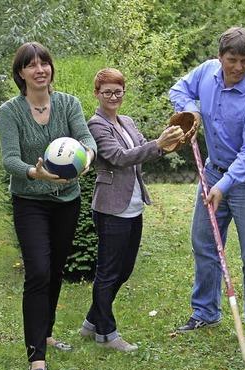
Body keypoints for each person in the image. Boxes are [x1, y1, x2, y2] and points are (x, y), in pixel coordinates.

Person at [168, 27, 245, 352]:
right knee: (204, 244)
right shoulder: (206, 72)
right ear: (220, 58)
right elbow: (179, 89)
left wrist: (223, 186)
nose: (239, 67)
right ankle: (205, 312)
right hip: (212, 170)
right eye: (232, 60)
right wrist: (192, 111)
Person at [0, 42, 97, 370]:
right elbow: (9, 158)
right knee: (38, 271)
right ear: (21, 73)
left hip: (67, 200)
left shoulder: (68, 104)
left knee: (55, 270)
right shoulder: (10, 111)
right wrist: (34, 172)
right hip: (30, 201)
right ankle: (36, 356)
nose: (40, 70)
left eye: (45, 63)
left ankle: (47, 332)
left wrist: (87, 159)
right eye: (31, 65)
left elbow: (87, 140)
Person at [78, 68, 184, 351]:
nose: (113, 97)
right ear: (97, 94)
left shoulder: (127, 121)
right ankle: (106, 334)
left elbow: (145, 149)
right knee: (108, 272)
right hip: (111, 207)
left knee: (124, 271)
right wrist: (157, 144)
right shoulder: (96, 125)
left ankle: (91, 322)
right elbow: (118, 157)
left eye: (118, 91)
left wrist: (168, 142)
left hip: (134, 205)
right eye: (107, 92)